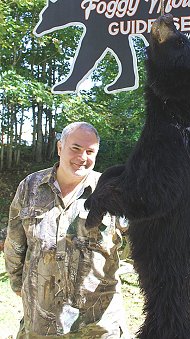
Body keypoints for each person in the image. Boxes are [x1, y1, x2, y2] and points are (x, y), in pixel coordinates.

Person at [4, 122, 130, 338]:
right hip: (42, 322)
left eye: (90, 151)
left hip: (98, 325)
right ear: (60, 148)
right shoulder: (30, 187)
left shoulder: (113, 191)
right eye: (76, 148)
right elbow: (15, 242)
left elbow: (141, 243)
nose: (82, 157)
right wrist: (18, 283)